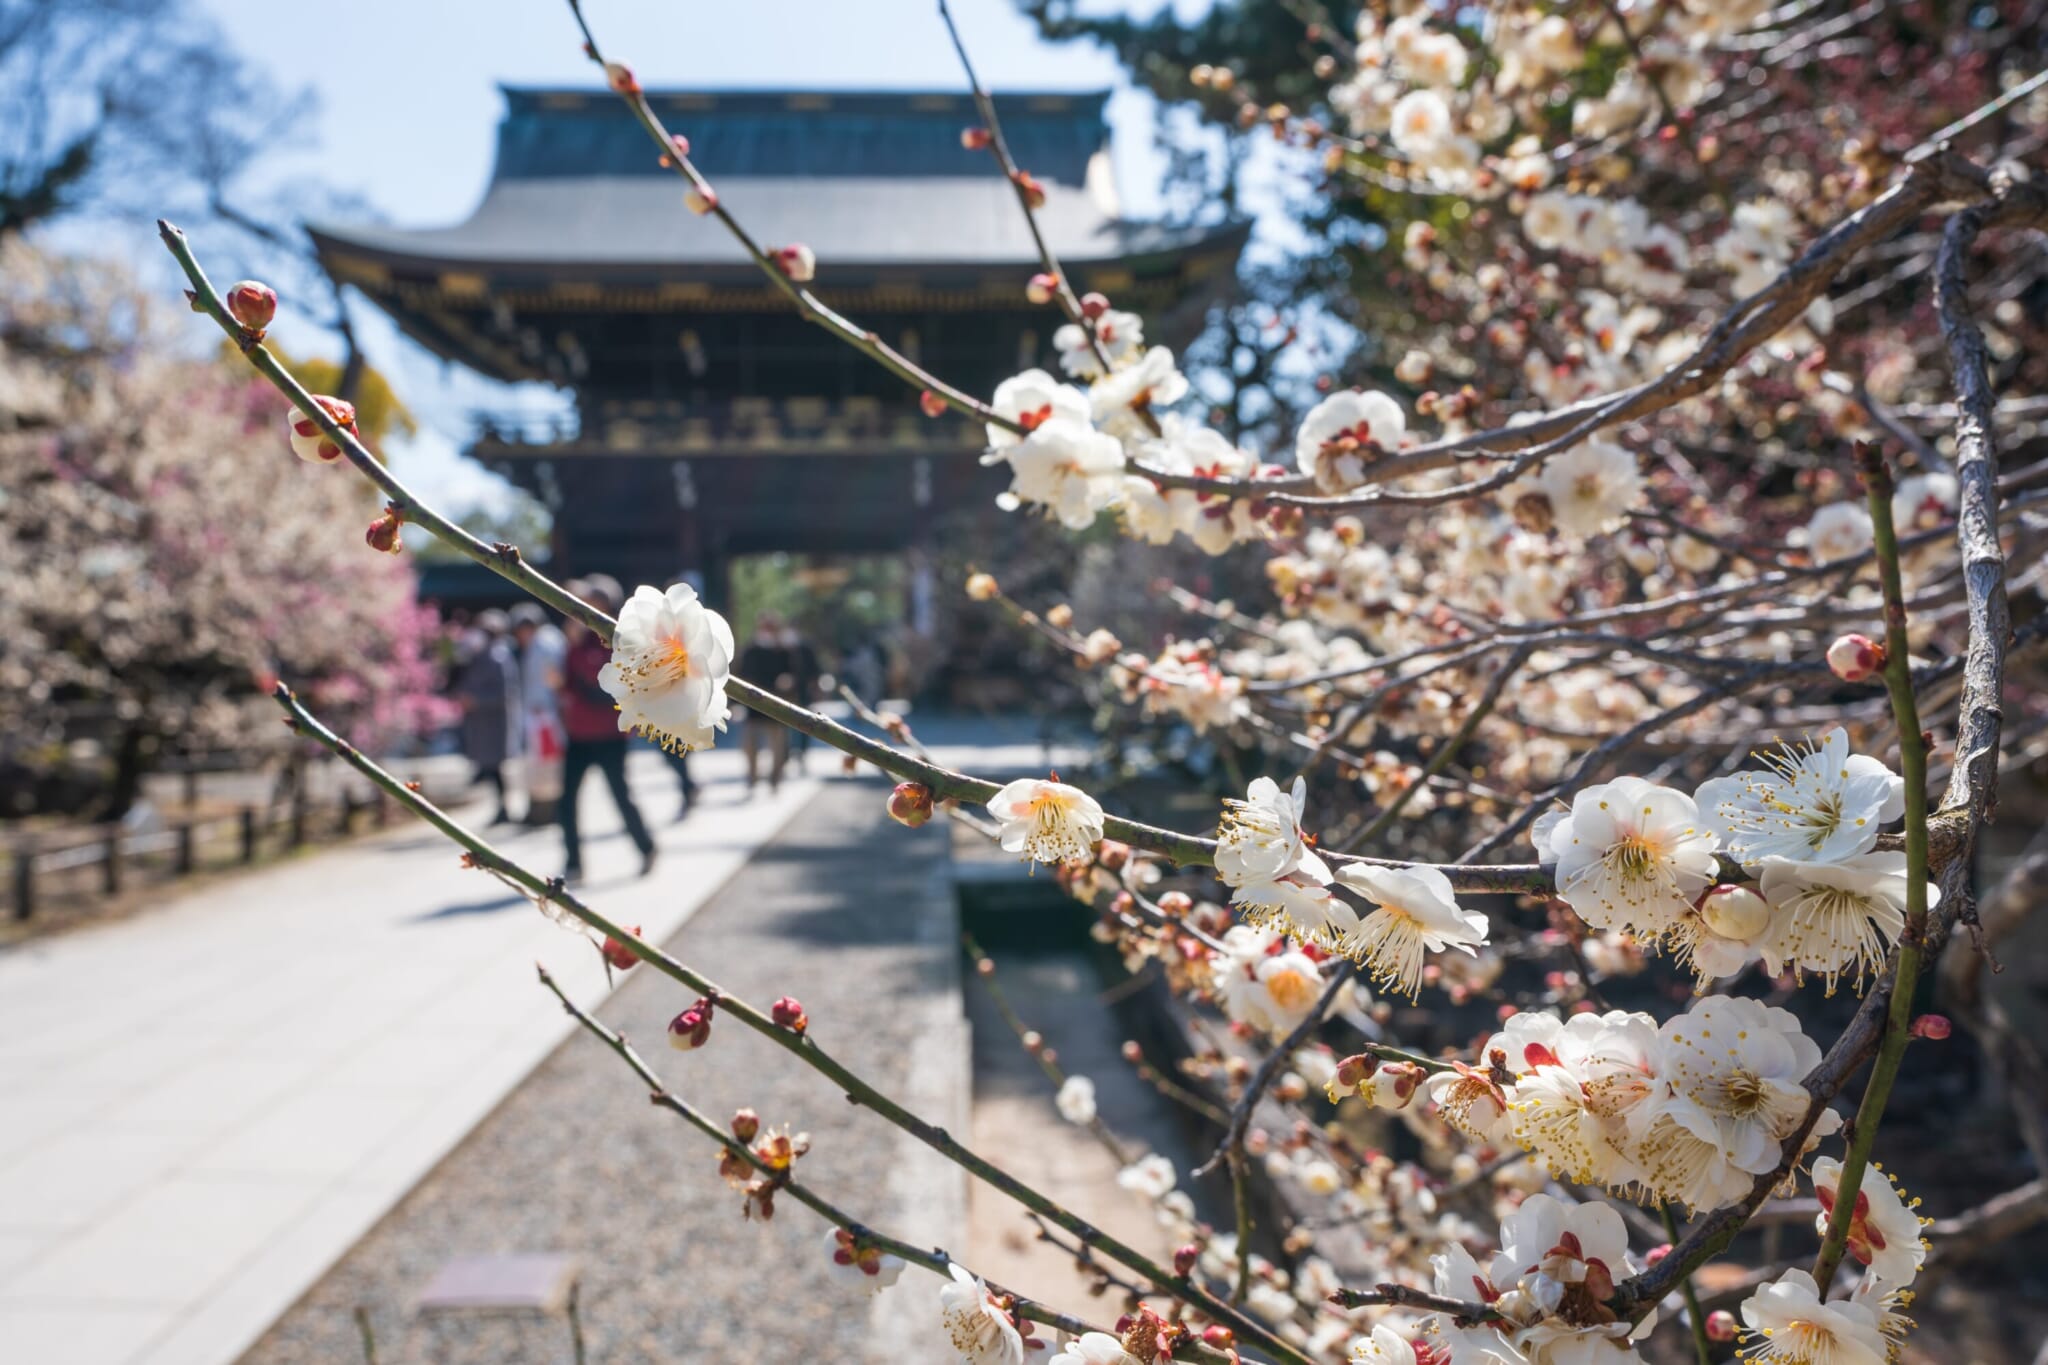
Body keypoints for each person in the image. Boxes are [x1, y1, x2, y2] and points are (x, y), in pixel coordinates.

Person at [557, 576, 656, 882]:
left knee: (619, 794)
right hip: (579, 734)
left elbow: (608, 682)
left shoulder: (621, 641)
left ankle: (646, 847)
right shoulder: (577, 641)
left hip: (610, 734)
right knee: (567, 800)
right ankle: (574, 861)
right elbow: (568, 683)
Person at [454, 610, 521, 825]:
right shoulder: (477, 655)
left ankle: (504, 809)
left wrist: (477, 700)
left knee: (496, 768)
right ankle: (501, 808)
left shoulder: (499, 657)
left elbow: (504, 694)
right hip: (481, 723)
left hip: (495, 723)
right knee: (490, 768)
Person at [510, 603, 567, 825]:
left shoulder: (546, 643)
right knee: (538, 766)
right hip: (537, 713)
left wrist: (547, 706)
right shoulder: (539, 643)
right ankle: (540, 811)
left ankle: (549, 812)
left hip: (545, 713)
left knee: (548, 767)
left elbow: (554, 677)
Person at [738, 612, 799, 795]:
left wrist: (787, 682)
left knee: (777, 745)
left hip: (776, 704)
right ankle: (752, 776)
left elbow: (793, 673)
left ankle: (775, 778)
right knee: (750, 744)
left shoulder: (783, 650)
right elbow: (741, 674)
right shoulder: (751, 649)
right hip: (753, 704)